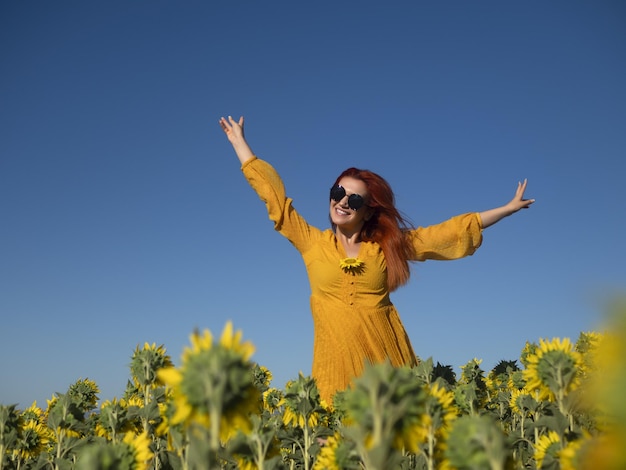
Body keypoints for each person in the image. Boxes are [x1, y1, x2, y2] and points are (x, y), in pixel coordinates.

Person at [219, 115, 535, 404]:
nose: (342, 201)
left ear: (369, 210)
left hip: (388, 368)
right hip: (335, 371)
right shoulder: (313, 243)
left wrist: (505, 209)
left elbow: (445, 234)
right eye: (337, 191)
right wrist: (241, 146)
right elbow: (275, 200)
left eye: (353, 199)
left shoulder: (387, 247)